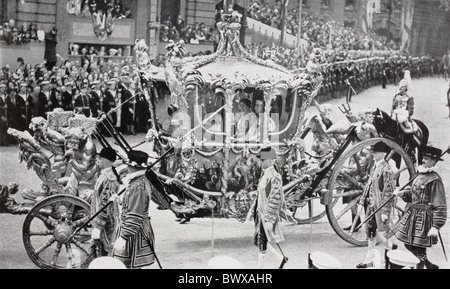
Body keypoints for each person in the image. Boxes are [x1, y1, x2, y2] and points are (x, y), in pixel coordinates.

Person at [393, 144, 447, 269]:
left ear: (434, 161)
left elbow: (440, 205)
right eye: (423, 157)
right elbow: (412, 195)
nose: (423, 160)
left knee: (419, 247)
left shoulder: (435, 180)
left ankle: (423, 265)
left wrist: (436, 226)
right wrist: (402, 193)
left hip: (424, 219)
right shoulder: (419, 175)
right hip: (412, 216)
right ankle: (429, 265)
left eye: (427, 159)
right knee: (408, 244)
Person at [249, 146, 295, 269]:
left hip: (266, 216)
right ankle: (280, 259)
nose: (261, 162)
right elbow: (262, 194)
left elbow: (275, 199)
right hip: (260, 213)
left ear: (270, 160)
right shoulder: (265, 175)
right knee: (258, 239)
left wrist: (269, 219)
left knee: (262, 243)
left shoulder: (275, 177)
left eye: (262, 160)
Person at [113, 150, 157, 269]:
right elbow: (133, 206)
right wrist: (121, 202)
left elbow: (135, 214)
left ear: (133, 167)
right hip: (133, 230)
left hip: (134, 232)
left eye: (129, 165)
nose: (127, 167)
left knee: (129, 266)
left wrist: (124, 237)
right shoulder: (137, 182)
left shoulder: (138, 186)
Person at [90, 147, 120, 257]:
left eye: (100, 158)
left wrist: (98, 227)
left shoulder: (108, 178)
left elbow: (105, 204)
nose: (98, 161)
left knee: (103, 254)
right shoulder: (105, 175)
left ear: (106, 161)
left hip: (104, 224)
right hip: (101, 222)